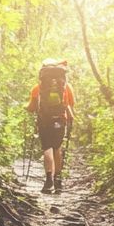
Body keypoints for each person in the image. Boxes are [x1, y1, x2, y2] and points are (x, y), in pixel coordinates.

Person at [26, 59, 75, 194]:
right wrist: (70, 117)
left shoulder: (38, 88)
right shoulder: (67, 87)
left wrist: (27, 108)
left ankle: (48, 181)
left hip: (44, 121)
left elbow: (31, 107)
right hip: (60, 120)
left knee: (47, 148)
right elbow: (71, 105)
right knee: (57, 148)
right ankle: (58, 180)